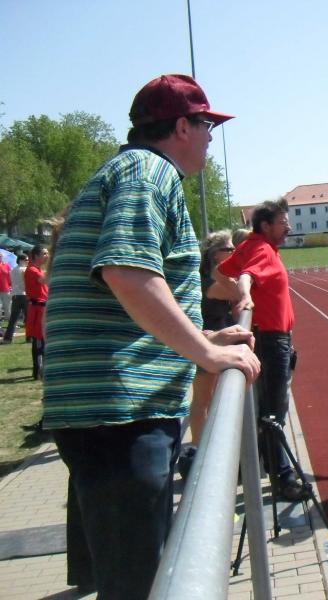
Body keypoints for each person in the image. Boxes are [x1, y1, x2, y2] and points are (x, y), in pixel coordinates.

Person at [41, 74, 261, 599]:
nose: (211, 138)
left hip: (111, 408)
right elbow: (126, 272)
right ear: (182, 126)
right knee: (138, 587)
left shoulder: (129, 172)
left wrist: (201, 336)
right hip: (121, 414)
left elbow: (123, 299)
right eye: (207, 126)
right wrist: (204, 352)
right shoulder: (148, 172)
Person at [215, 198, 305, 501]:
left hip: (269, 337)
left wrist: (239, 292)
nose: (288, 227)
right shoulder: (263, 250)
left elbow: (220, 272)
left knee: (268, 409)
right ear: (266, 226)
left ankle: (271, 469)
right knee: (274, 412)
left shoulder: (251, 245)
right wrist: (244, 296)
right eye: (283, 222)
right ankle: (283, 479)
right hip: (272, 340)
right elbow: (245, 276)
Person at [179, 230, 239, 478]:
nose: (235, 252)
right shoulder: (209, 282)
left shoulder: (214, 278)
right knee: (202, 400)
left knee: (212, 398)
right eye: (230, 249)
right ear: (216, 255)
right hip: (208, 342)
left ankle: (205, 447)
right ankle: (198, 451)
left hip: (217, 340)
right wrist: (230, 274)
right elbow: (237, 292)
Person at [25, 245, 48, 378]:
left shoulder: (38, 269)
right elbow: (46, 280)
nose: (47, 256)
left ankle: (40, 370)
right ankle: (38, 371)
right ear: (36, 256)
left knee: (42, 340)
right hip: (38, 309)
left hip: (42, 308)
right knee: (39, 341)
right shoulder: (32, 270)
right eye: (44, 254)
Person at [2, 254, 27, 343]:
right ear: (21, 260)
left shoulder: (12, 270)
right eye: (26, 260)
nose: (27, 261)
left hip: (15, 295)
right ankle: (30, 337)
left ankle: (8, 338)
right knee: (28, 318)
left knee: (13, 318)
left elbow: (11, 282)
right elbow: (24, 283)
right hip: (23, 294)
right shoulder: (24, 269)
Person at [0, 252, 11, 327]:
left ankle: (10, 322)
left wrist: (11, 286)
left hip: (6, 289)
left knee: (8, 307)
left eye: (0, 256)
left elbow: (9, 277)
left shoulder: (6, 266)